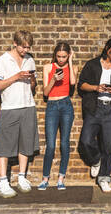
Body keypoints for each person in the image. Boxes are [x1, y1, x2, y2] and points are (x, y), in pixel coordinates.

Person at [0, 30, 39, 198]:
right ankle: (3, 181)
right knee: (4, 145)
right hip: (9, 107)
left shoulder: (30, 60)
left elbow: (33, 87)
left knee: (26, 143)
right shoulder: (3, 60)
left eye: (28, 47)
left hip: (28, 106)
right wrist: (17, 76)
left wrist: (32, 80)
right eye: (23, 47)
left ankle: (21, 177)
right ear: (15, 43)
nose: (25, 50)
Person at [78, 36, 111, 192]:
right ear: (108, 48)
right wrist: (95, 88)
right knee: (85, 141)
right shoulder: (92, 64)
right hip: (94, 107)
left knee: (109, 145)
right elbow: (81, 85)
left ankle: (104, 177)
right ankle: (95, 159)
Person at [37, 42, 78, 191]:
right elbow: (45, 93)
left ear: (68, 55)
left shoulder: (72, 67)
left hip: (66, 105)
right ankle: (45, 178)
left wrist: (71, 61)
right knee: (51, 145)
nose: (61, 60)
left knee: (64, 143)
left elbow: (73, 82)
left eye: (64, 57)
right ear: (55, 55)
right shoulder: (48, 67)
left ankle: (61, 178)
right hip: (52, 107)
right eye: (59, 56)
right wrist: (54, 79)